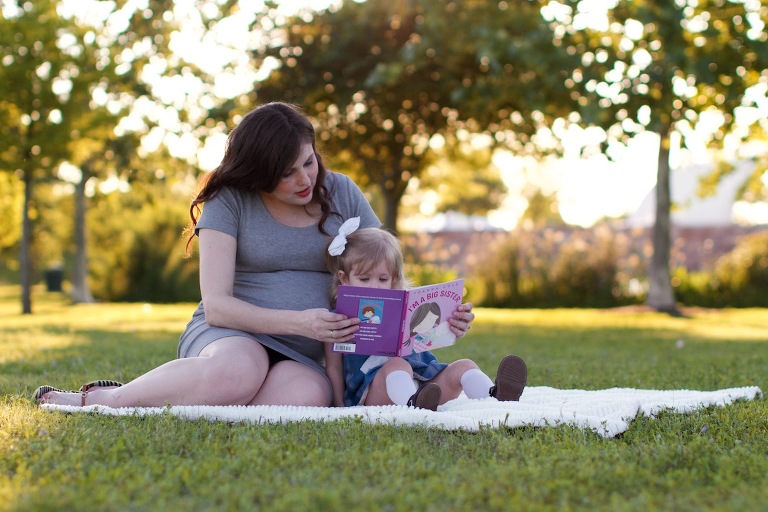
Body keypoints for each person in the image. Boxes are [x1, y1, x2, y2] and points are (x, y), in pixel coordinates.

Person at [32, 102, 477, 408]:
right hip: (229, 335)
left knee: (308, 398)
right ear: (258, 175)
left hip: (308, 354)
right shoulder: (229, 201)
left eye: (308, 161)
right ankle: (108, 399)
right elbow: (218, 305)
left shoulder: (343, 192)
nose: (305, 180)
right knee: (239, 372)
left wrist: (436, 313)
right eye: (286, 174)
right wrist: (298, 322)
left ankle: (187, 399)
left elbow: (385, 280)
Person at [324, 220, 528, 411]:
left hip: (425, 382)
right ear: (345, 279)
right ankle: (413, 405)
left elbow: (432, 335)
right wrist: (340, 406)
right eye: (364, 279)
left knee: (464, 365)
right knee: (397, 363)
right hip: (373, 391)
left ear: (393, 279)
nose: (375, 286)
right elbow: (333, 368)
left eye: (383, 278)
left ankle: (495, 398)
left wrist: (453, 320)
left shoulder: (407, 309)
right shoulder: (337, 319)